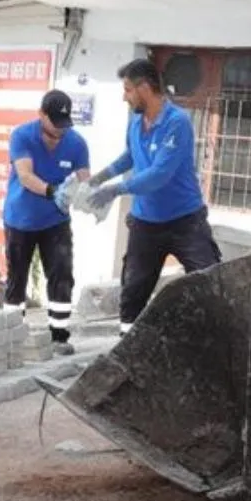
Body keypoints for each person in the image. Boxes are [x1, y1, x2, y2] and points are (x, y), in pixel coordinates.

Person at [85, 58, 222, 336]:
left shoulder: (177, 122)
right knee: (133, 289)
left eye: (127, 89)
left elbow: (160, 175)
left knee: (211, 282)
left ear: (144, 87)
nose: (125, 96)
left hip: (186, 222)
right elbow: (130, 156)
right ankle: (127, 343)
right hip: (146, 223)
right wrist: (100, 178)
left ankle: (212, 343)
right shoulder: (136, 122)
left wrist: (115, 190)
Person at [3, 89, 90, 355]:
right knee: (17, 278)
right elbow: (25, 176)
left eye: (63, 127)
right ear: (41, 115)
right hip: (21, 219)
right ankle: (11, 335)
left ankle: (59, 335)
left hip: (56, 221)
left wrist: (90, 197)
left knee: (62, 274)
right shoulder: (22, 136)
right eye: (54, 126)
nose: (58, 135)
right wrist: (54, 192)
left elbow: (85, 178)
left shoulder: (76, 144)